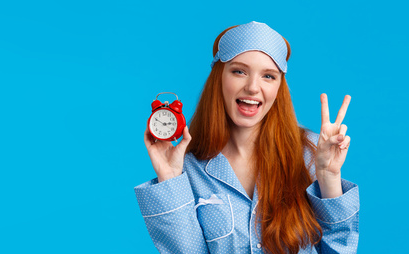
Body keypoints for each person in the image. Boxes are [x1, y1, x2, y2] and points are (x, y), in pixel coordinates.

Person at [134, 21, 359, 254]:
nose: (253, 87)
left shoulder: (312, 152)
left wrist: (329, 178)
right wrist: (170, 178)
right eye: (239, 71)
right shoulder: (187, 168)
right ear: (219, 77)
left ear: (279, 88)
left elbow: (339, 247)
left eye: (268, 76)